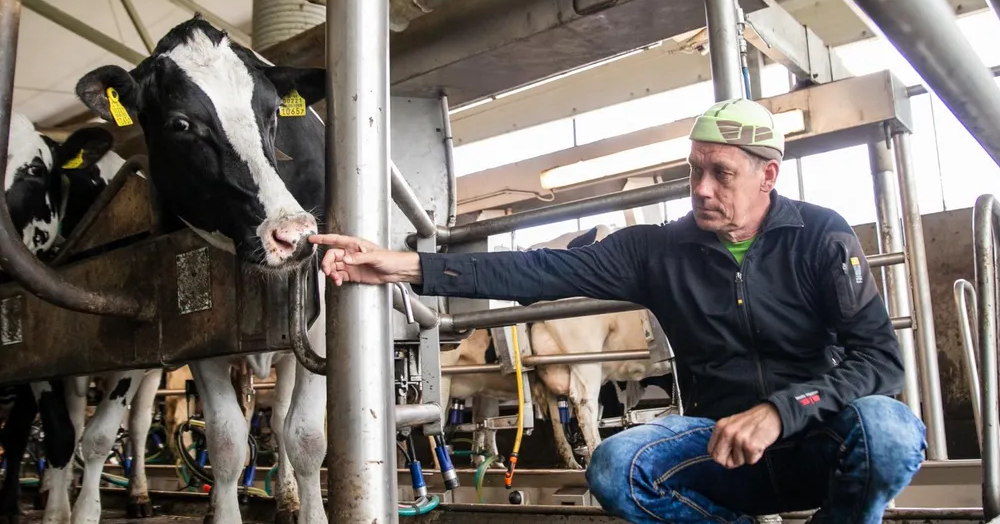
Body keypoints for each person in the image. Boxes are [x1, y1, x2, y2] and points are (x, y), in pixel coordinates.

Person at [309, 97, 926, 523]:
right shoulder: (659, 251)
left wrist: (781, 410)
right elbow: (537, 270)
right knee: (614, 466)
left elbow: (879, 360)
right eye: (694, 171)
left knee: (891, 431)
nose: (702, 188)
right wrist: (406, 264)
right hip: (718, 449)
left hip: (815, 438)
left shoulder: (820, 237)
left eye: (721, 173)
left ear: (768, 176)